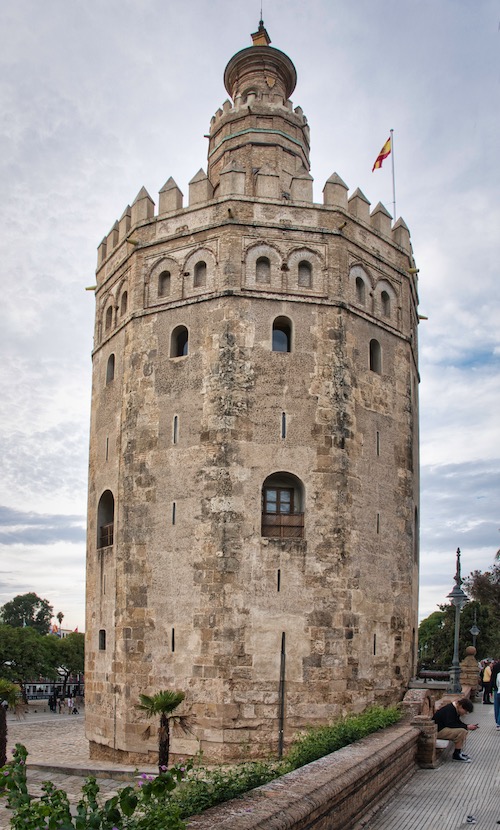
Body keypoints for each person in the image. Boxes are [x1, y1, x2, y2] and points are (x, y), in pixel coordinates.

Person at [432, 697, 478, 762]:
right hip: (438, 731)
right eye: (465, 711)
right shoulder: (450, 709)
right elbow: (450, 724)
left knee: (463, 730)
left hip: (442, 729)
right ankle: (456, 755)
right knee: (462, 731)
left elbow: (457, 722)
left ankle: (459, 752)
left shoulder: (454, 709)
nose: (465, 713)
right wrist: (466, 726)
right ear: (461, 707)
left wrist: (467, 726)